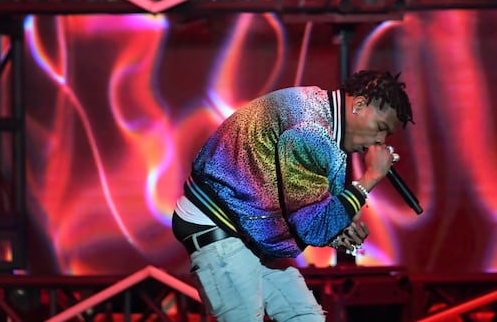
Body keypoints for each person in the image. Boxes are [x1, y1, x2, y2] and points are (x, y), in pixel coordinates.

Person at [172, 70, 414, 321]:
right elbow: (313, 227)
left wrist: (337, 233)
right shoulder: (313, 131)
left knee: (305, 317)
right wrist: (370, 178)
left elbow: (303, 205)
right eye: (380, 128)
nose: (379, 141)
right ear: (359, 105)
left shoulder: (325, 121)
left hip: (251, 234)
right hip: (218, 225)